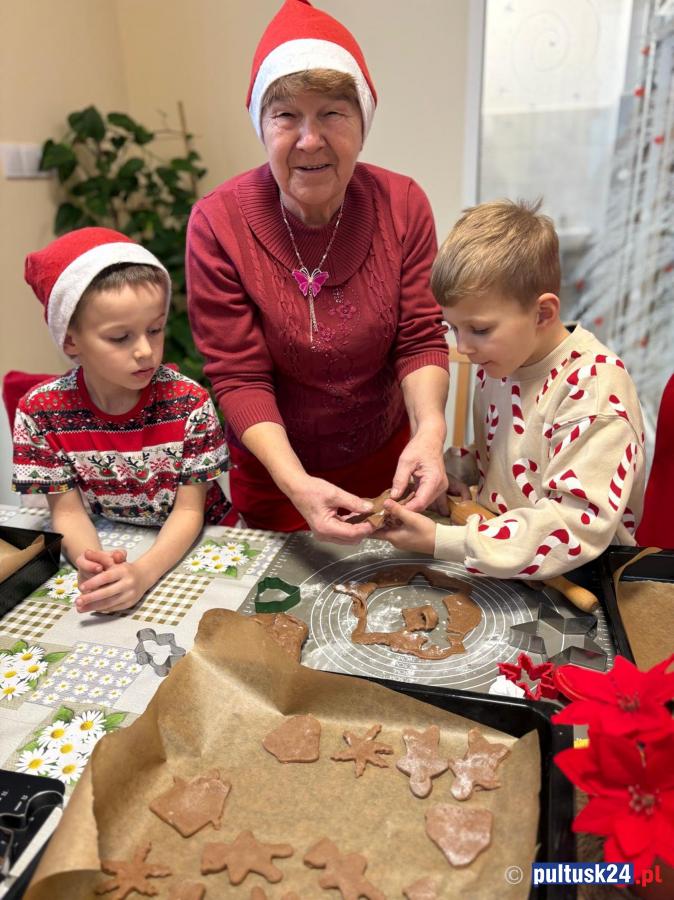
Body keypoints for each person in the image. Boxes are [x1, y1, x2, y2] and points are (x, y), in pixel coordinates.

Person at [186, 0, 450, 540]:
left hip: (391, 472)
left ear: (362, 124)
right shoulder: (217, 224)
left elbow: (420, 337)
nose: (310, 140)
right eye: (286, 115)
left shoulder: (403, 204)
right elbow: (239, 375)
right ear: (262, 126)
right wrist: (297, 483)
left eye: (332, 113)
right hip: (280, 481)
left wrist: (429, 432)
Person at [380, 199, 646, 579]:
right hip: (503, 567)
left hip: (581, 578)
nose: (463, 347)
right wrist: (451, 471)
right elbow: (504, 457)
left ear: (542, 313)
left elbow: (572, 529)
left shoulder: (594, 391)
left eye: (479, 329)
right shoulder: (501, 363)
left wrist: (442, 541)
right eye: (452, 328)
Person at [13, 227, 230, 613]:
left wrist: (142, 574)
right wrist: (95, 565)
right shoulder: (40, 413)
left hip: (199, 545)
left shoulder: (189, 403)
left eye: (155, 329)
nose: (145, 351)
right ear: (71, 341)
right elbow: (67, 511)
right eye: (120, 337)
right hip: (113, 539)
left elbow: (189, 511)